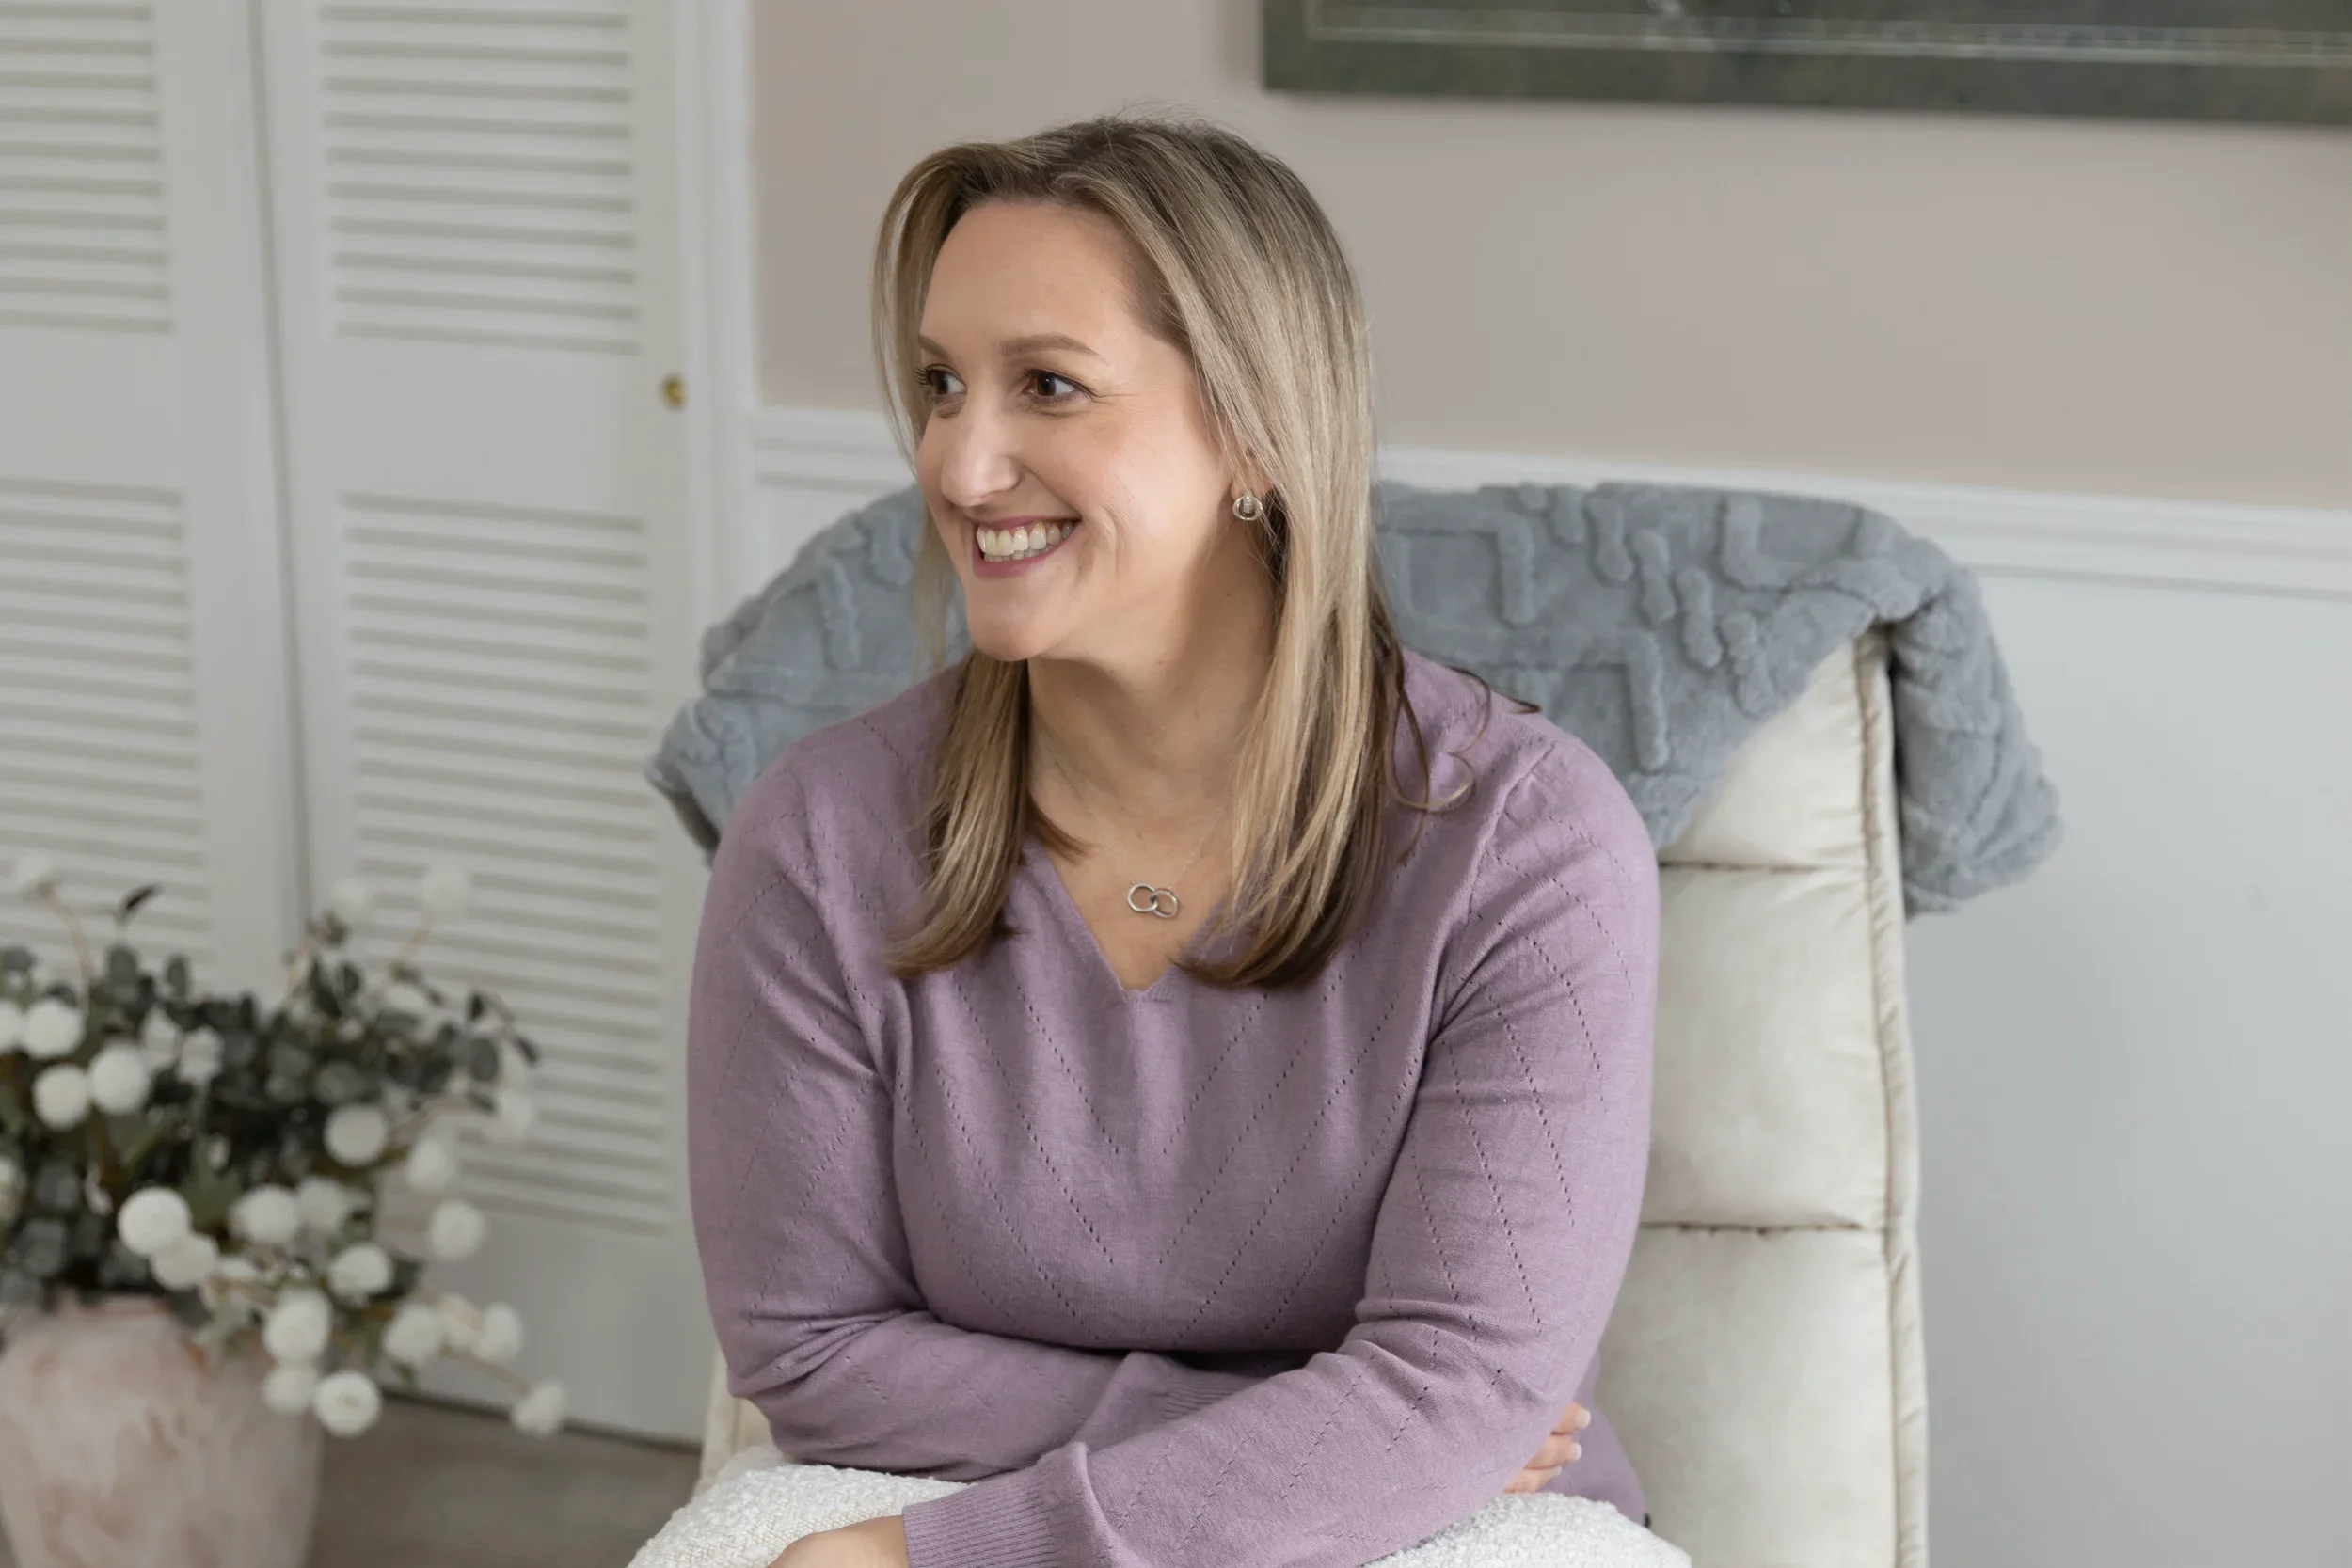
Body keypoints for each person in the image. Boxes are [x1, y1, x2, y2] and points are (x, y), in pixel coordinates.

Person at [685, 108, 1660, 1568]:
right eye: (943, 385)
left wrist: (941, 1560)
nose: (958, 465)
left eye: (1049, 387)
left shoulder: (1528, 842)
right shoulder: (821, 836)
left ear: (1259, 431)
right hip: (1009, 1470)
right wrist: (1307, 1418)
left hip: (1438, 1530)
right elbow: (811, 1345)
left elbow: (1461, 1395)